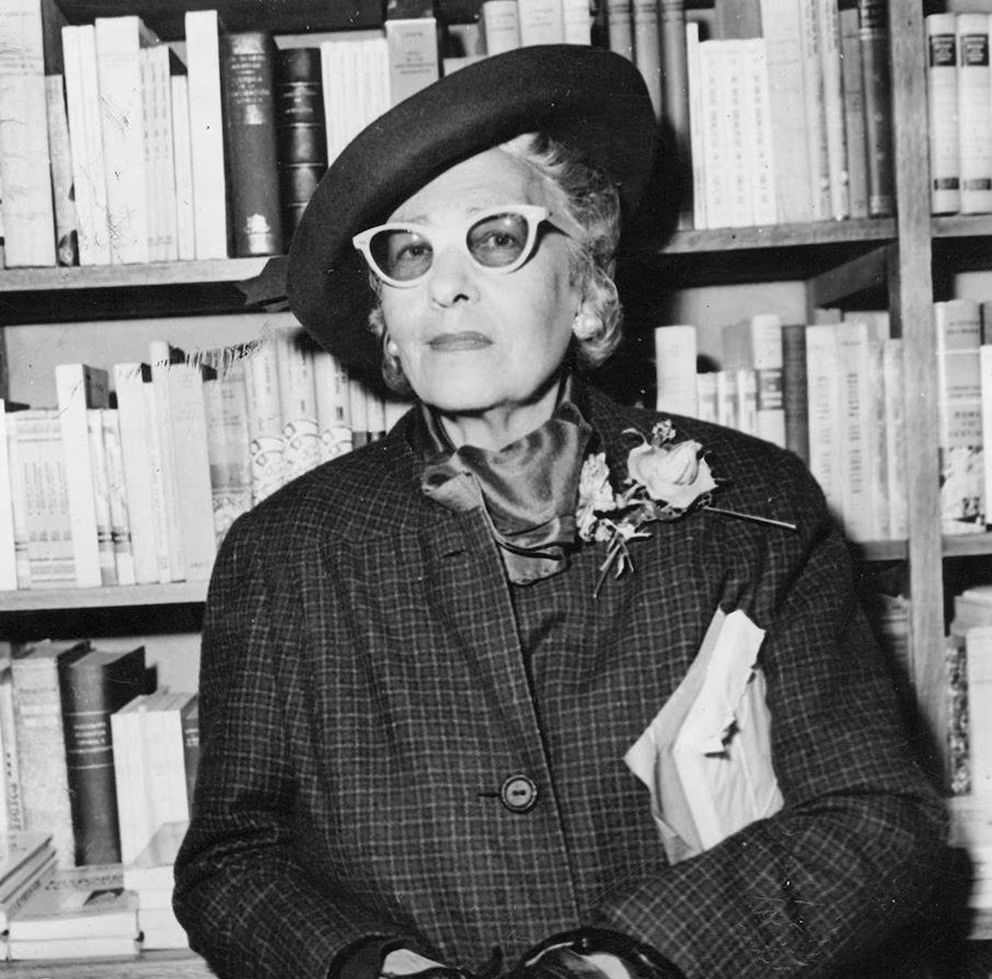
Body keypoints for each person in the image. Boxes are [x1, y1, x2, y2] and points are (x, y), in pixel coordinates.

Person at [173, 44, 949, 979]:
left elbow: (875, 813)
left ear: (584, 289)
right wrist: (371, 968)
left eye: (495, 237)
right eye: (408, 252)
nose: (446, 283)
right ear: (383, 315)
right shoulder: (285, 550)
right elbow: (231, 863)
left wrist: (633, 959)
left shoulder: (752, 502)